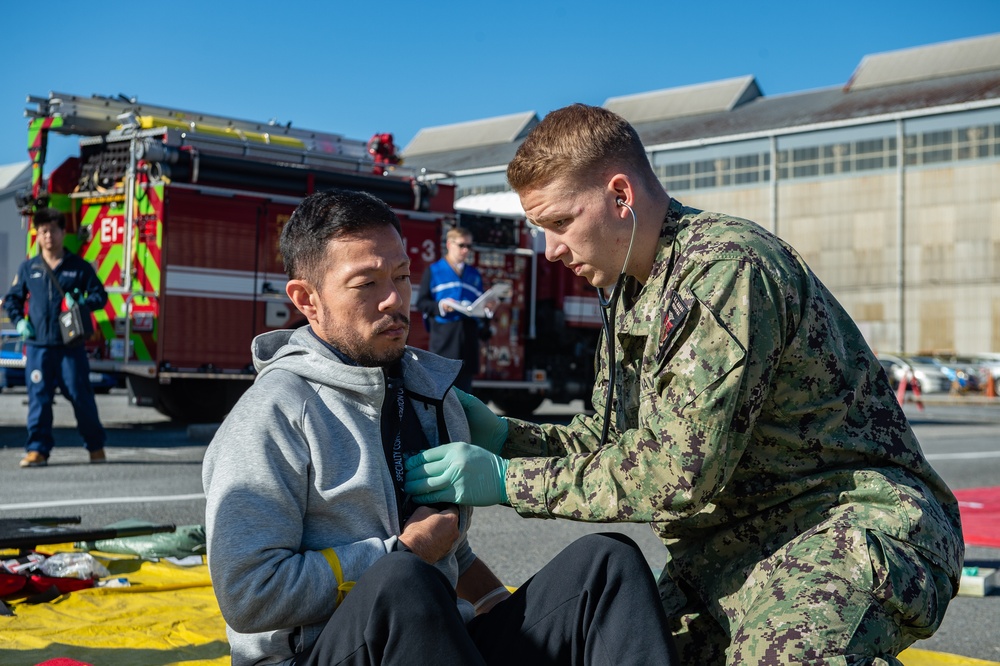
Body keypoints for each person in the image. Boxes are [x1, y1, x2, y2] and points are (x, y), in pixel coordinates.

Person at [404, 104, 965, 665]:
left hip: (843, 525)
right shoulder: (631, 291)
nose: (550, 250)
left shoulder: (725, 270)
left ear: (620, 196)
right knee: (619, 647)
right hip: (732, 551)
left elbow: (678, 471)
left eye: (559, 224)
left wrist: (506, 480)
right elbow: (609, 443)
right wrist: (505, 437)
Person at [202, 188, 676, 666]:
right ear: (307, 299)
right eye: (366, 283)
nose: (393, 300)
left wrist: (497, 607)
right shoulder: (274, 413)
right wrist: (399, 551)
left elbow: (452, 552)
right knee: (403, 579)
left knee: (605, 566)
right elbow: (248, 595)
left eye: (402, 277)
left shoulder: (432, 395)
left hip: (434, 639)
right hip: (320, 655)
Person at [3, 207, 108, 468]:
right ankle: (37, 450)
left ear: (63, 232)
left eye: (53, 230)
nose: (48, 235)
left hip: (69, 347)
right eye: (43, 231)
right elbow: (12, 299)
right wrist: (19, 322)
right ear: (38, 236)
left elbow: (100, 296)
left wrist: (82, 301)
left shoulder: (79, 267)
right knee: (39, 399)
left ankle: (96, 447)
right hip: (38, 346)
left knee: (81, 396)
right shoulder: (29, 268)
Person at [416, 226, 492, 391]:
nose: (466, 250)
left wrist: (488, 309)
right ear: (450, 244)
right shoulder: (434, 271)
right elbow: (422, 302)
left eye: (469, 246)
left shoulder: (474, 274)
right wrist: (441, 306)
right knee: (441, 390)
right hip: (444, 338)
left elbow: (481, 305)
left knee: (465, 394)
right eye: (462, 245)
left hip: (469, 338)